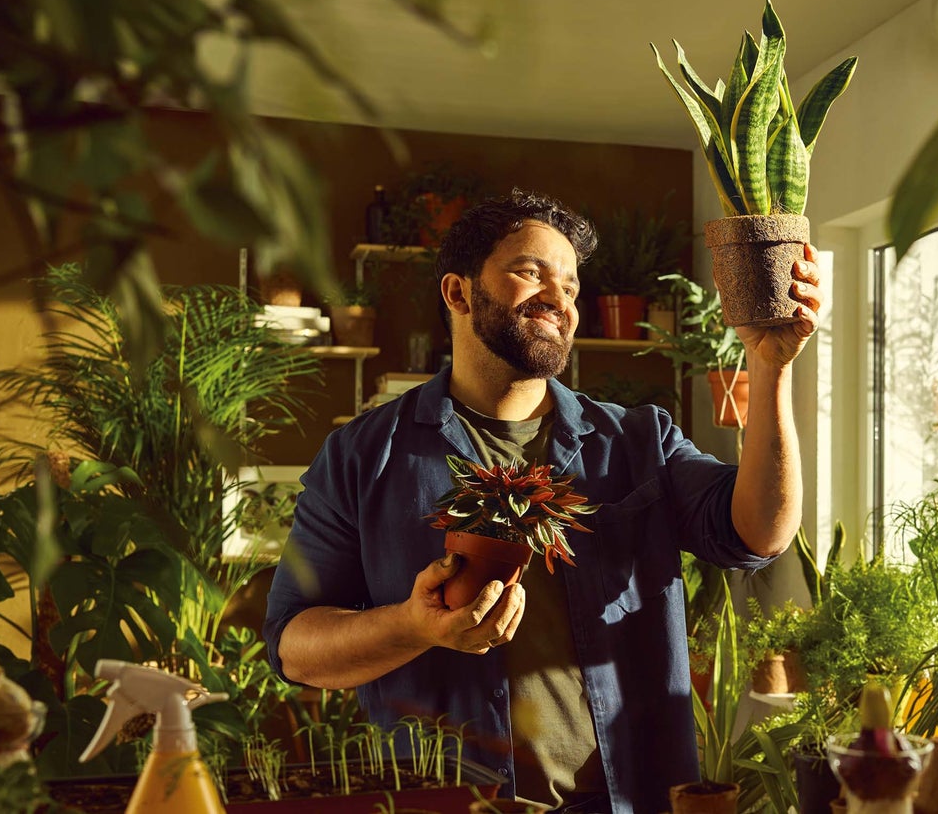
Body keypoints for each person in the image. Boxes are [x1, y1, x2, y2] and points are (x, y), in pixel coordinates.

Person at [263, 189, 822, 814]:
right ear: (458, 293)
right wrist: (412, 627)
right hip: (447, 803)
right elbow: (294, 646)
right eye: (531, 273)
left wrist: (770, 366)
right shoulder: (364, 455)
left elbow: (759, 533)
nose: (560, 298)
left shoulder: (639, 441)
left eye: (572, 286)